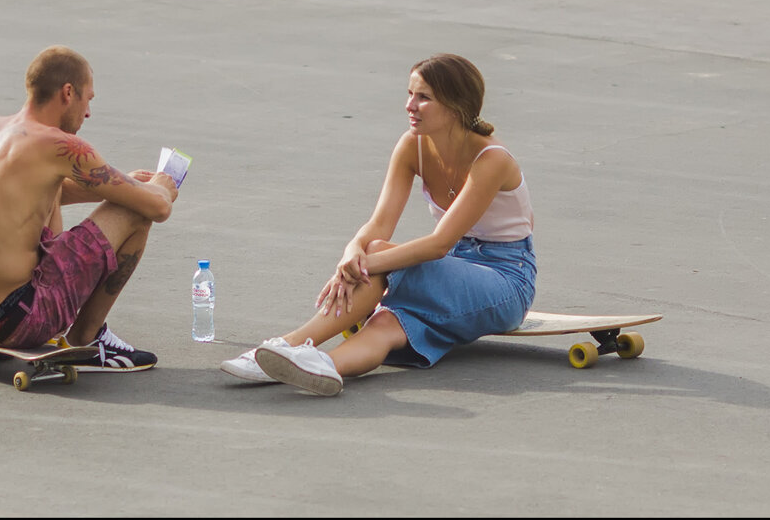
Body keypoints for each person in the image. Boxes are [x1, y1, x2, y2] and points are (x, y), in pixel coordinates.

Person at [221, 53, 536, 395]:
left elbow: (438, 244)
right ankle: (321, 366)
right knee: (385, 322)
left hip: (506, 279)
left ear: (456, 105)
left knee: (379, 255)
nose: (409, 105)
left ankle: (292, 342)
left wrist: (364, 264)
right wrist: (351, 253)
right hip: (454, 269)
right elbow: (379, 223)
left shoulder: (492, 160)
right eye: (410, 93)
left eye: (423, 97)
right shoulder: (411, 146)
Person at [0, 45, 178, 371]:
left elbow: (38, 193)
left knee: (55, 188)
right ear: (68, 92)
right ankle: (86, 340)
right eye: (88, 99)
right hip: (17, 320)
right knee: (136, 213)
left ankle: (12, 329)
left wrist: (124, 184)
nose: (89, 112)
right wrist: (158, 189)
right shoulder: (60, 145)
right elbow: (158, 208)